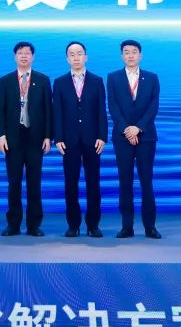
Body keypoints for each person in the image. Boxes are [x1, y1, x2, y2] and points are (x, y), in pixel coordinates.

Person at [106, 39, 161, 239]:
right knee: (125, 181)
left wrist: (138, 128)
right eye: (127, 52)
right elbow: (113, 106)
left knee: (146, 181)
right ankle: (126, 227)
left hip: (146, 137)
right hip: (122, 138)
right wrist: (127, 129)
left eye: (134, 52)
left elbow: (153, 107)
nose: (130, 55)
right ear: (122, 56)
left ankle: (150, 227)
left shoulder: (152, 78)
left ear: (140, 55)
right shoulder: (113, 78)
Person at [0, 42, 53, 237]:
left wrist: (48, 136)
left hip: (35, 138)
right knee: (14, 182)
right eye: (20, 53)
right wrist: (1, 135)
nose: (24, 56)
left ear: (33, 57)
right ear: (15, 56)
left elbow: (48, 110)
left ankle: (34, 225)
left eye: (27, 53)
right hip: (13, 138)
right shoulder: (6, 80)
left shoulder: (43, 80)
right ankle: (13, 224)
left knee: (34, 182)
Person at [53, 41, 108, 238]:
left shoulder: (97, 81)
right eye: (72, 54)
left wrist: (102, 136)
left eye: (79, 53)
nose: (76, 57)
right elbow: (57, 112)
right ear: (67, 58)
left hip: (93, 140)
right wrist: (58, 137)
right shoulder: (59, 82)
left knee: (93, 183)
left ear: (86, 57)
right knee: (70, 183)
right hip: (69, 141)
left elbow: (101, 110)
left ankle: (93, 225)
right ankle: (73, 225)